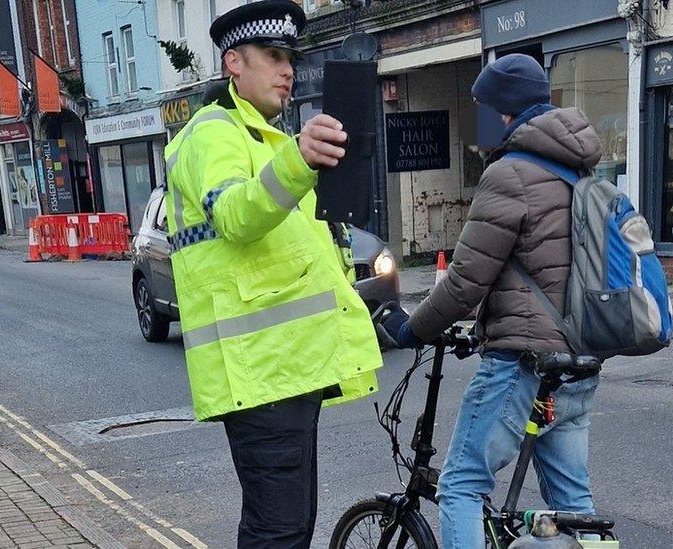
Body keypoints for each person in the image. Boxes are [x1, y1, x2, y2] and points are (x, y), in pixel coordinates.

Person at [162, 1, 382, 547]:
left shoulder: (269, 139)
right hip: (260, 374)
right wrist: (301, 163)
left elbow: (304, 258)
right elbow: (236, 214)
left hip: (286, 370)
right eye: (273, 55)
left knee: (289, 528)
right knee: (278, 532)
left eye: (291, 58)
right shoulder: (212, 134)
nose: (288, 70)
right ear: (233, 62)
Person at [382, 53, 604, 548]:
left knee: (461, 484)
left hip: (521, 366)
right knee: (574, 510)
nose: (474, 121)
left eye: (479, 108)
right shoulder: (581, 171)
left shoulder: (510, 174)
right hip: (575, 363)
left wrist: (408, 328)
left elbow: (464, 283)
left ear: (504, 111)